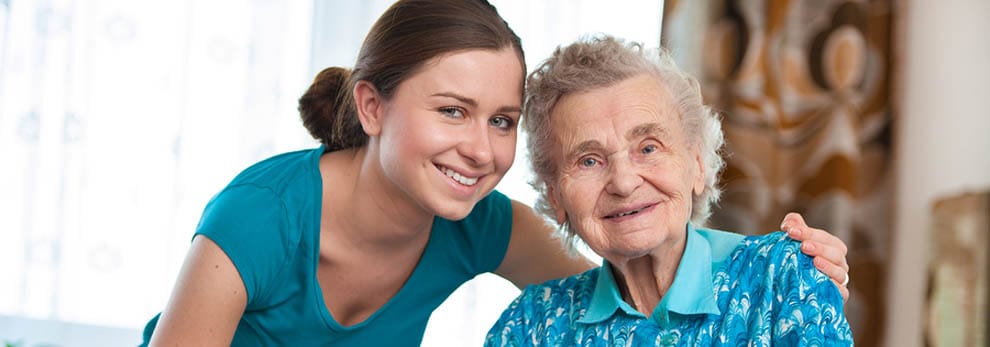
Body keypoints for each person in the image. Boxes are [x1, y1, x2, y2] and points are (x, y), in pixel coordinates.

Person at [140, 1, 851, 345]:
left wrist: (798, 264)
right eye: (452, 111)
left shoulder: (480, 225)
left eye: (503, 121)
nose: (481, 151)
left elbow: (615, 276)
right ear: (371, 106)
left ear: (699, 160)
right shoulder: (257, 219)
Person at [486, 35, 853, 345]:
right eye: (589, 161)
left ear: (697, 165)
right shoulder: (531, 326)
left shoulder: (783, 276)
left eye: (648, 148)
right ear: (556, 197)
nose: (625, 182)